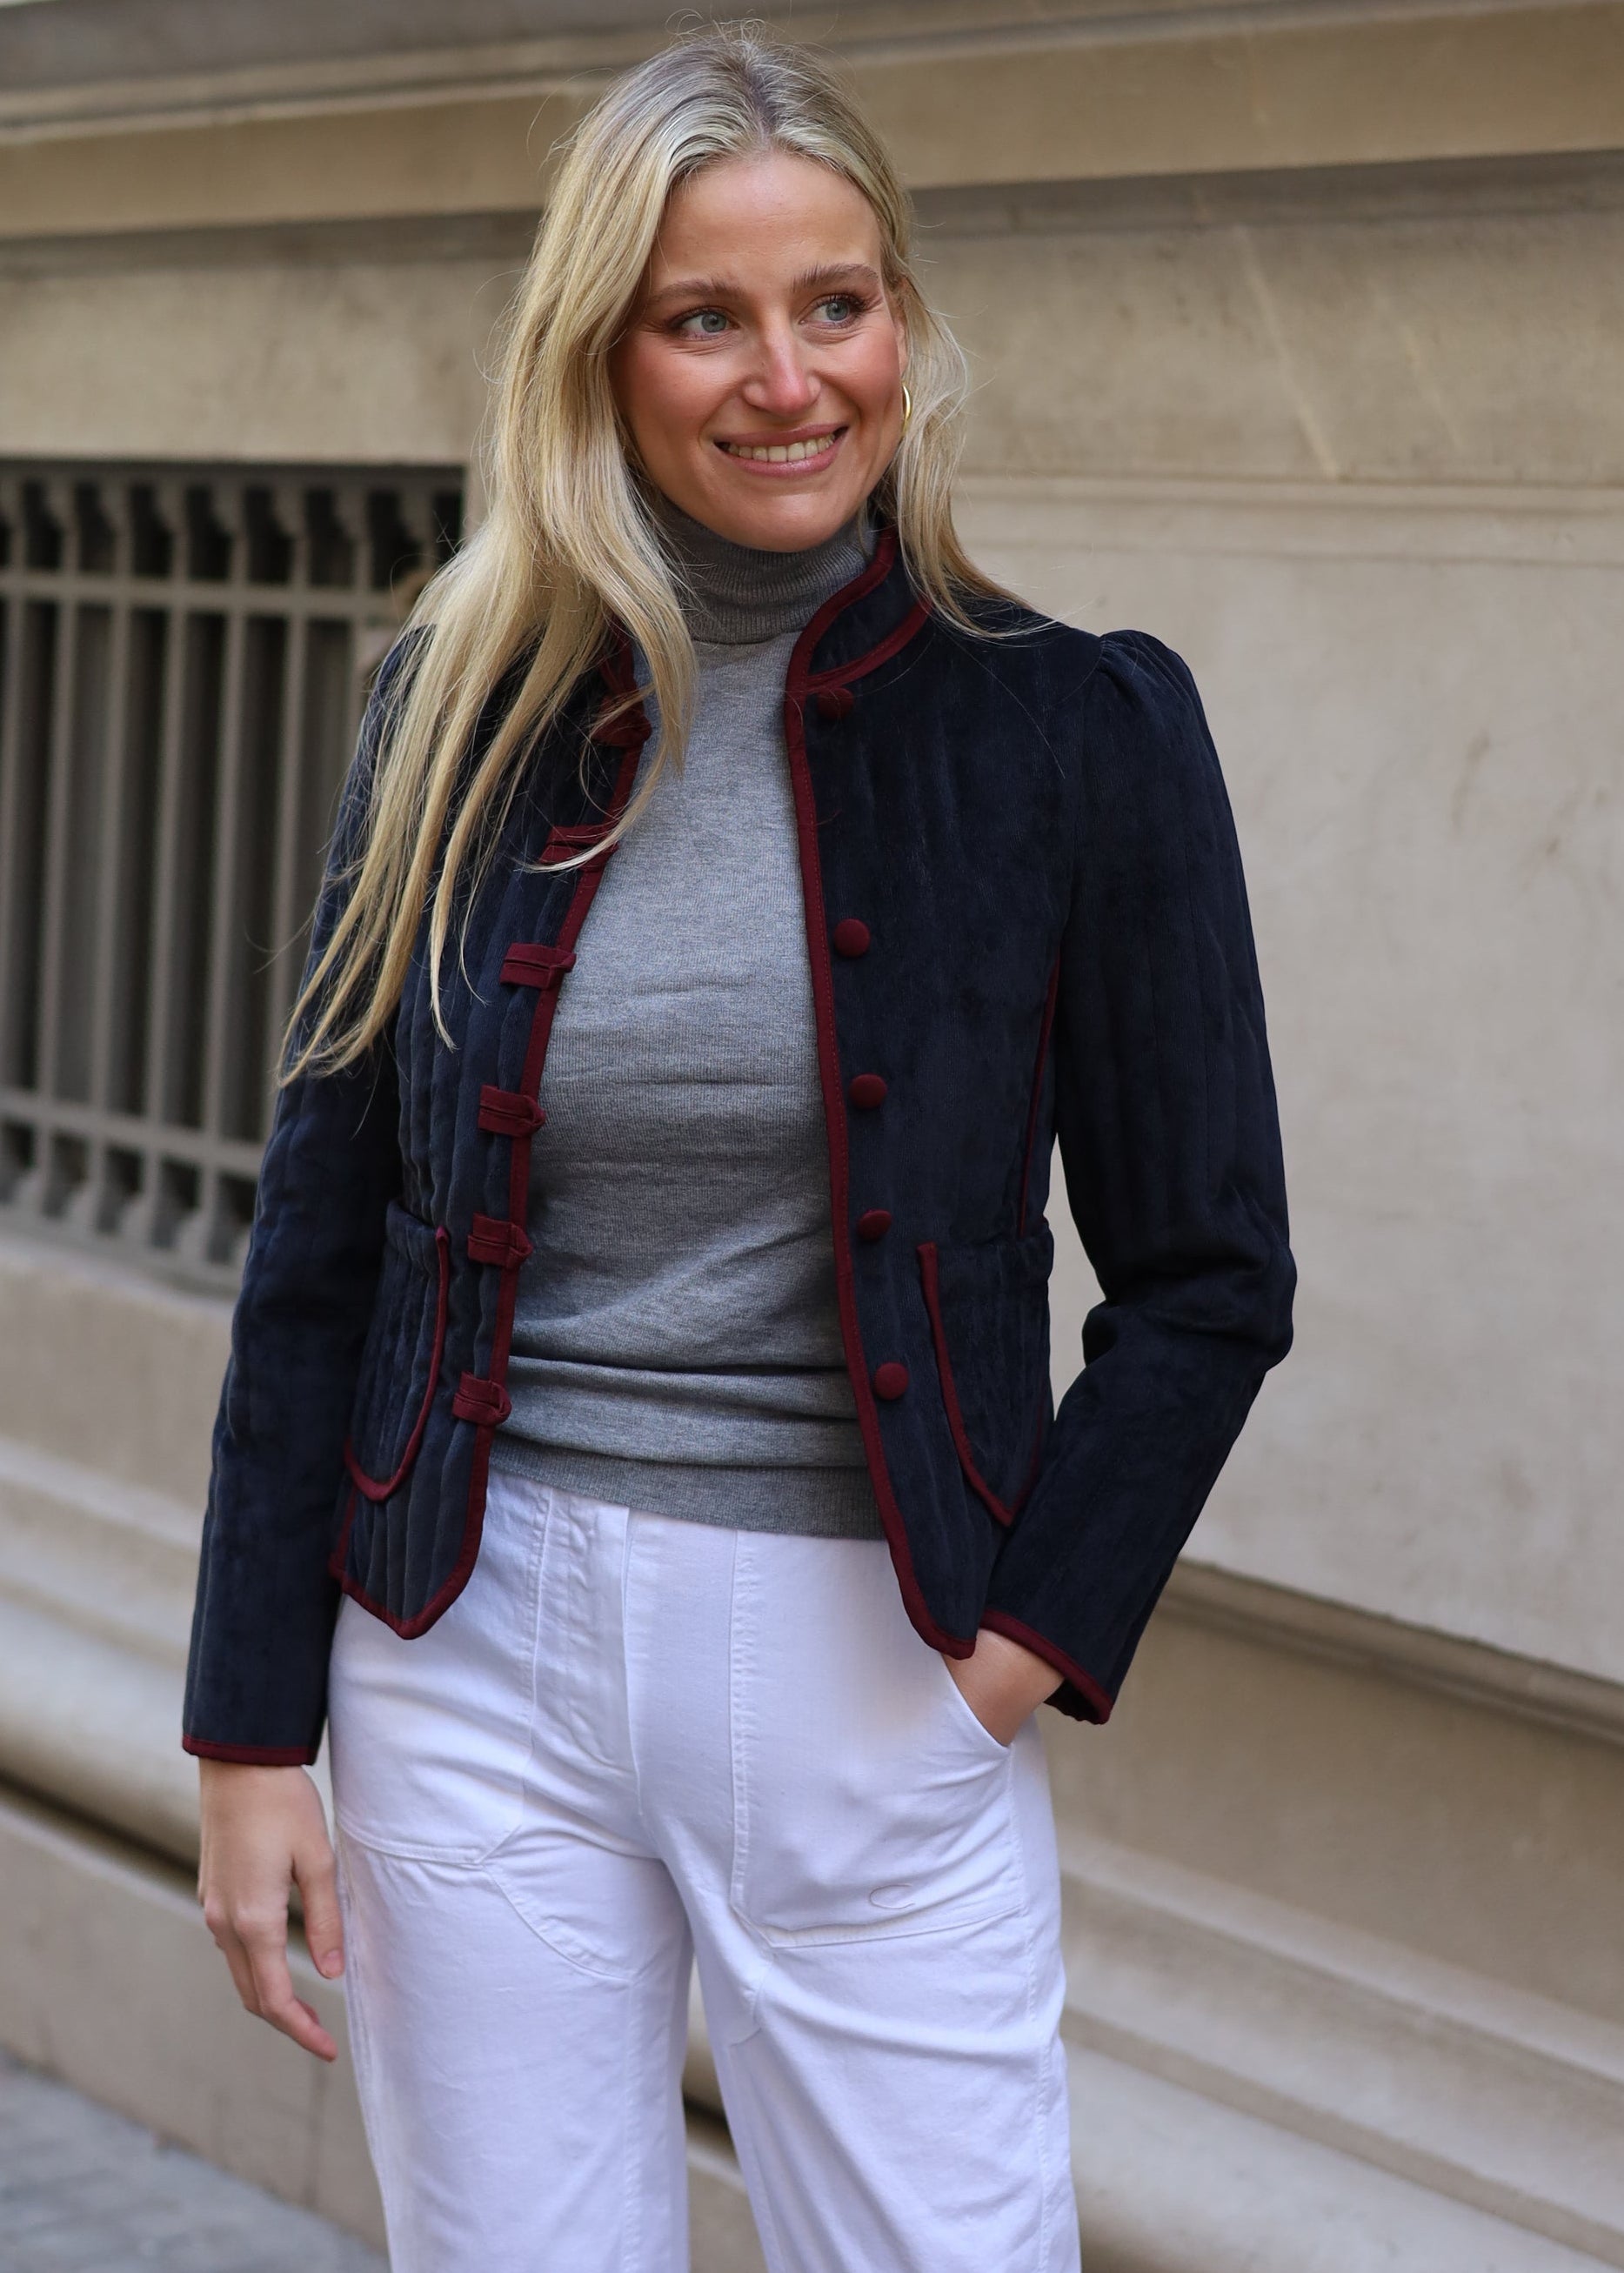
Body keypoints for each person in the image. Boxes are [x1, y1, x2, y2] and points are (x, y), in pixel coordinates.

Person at [183, 25, 1293, 2273]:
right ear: (600, 357)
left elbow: (1207, 1281)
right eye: (707, 317)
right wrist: (247, 1734)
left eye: (836, 304)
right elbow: (324, 1242)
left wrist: (996, 1676)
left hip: (873, 1661)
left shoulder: (1073, 727)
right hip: (461, 1650)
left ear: (901, 323)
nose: (789, 379)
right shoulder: (452, 713)